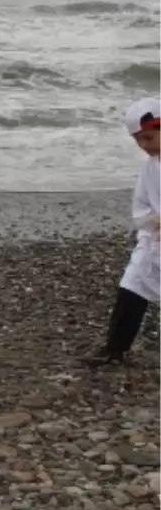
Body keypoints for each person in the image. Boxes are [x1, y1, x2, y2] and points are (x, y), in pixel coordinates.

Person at [81, 96, 161, 367]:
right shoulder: (149, 168)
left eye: (148, 138)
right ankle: (115, 347)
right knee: (131, 287)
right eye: (138, 139)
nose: (143, 145)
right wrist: (153, 222)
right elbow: (140, 206)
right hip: (155, 241)